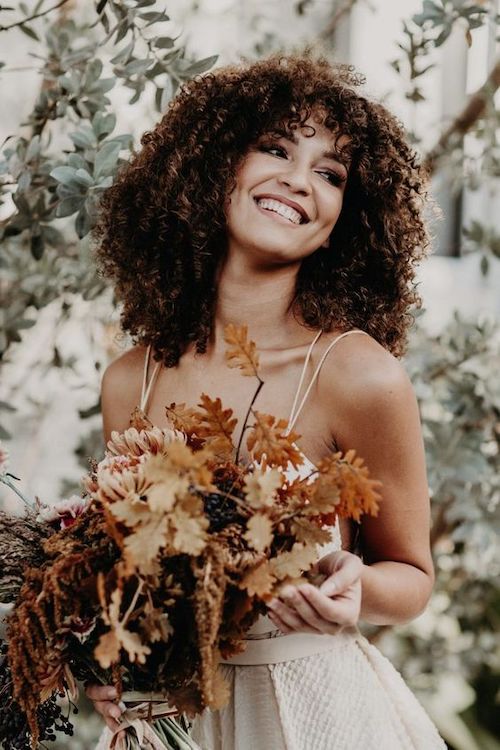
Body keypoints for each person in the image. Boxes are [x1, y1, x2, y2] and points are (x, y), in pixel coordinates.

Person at [87, 54, 447, 749]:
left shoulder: (360, 378)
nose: (297, 180)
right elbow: (127, 573)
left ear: (347, 217)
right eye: (276, 148)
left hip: (314, 718)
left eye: (331, 173)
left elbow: (413, 577)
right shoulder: (131, 380)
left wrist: (356, 589)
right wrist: (111, 655)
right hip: (169, 722)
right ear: (214, 166)